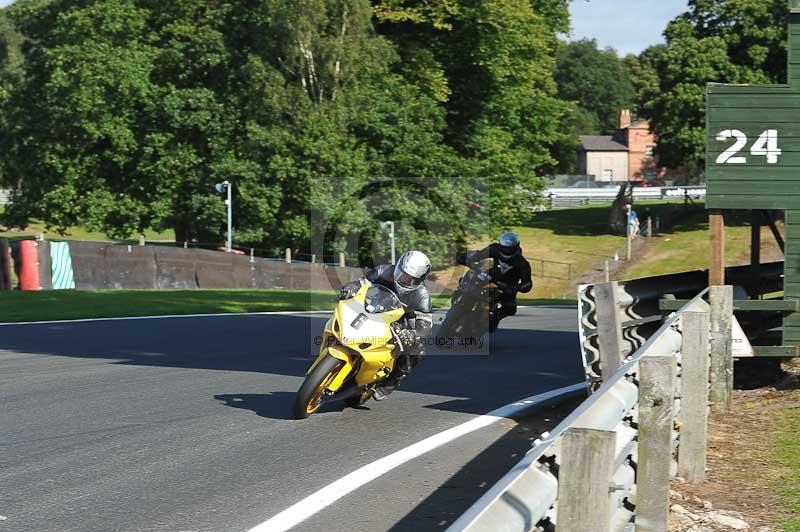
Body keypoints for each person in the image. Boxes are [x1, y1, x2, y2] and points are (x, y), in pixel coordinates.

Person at [338, 251, 433, 400]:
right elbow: (361, 283)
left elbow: (426, 324)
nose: (405, 281)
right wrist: (351, 287)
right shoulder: (383, 271)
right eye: (403, 275)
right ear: (398, 267)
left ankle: (391, 382)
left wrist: (415, 334)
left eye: (411, 280)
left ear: (420, 280)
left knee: (418, 350)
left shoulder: (422, 295)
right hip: (374, 306)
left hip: (400, 321)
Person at [458, 232, 533, 332]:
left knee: (510, 309)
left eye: (510, 248)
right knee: (468, 280)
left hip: (507, 286)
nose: (507, 250)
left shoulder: (522, 263)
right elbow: (479, 255)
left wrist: (515, 287)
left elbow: (527, 283)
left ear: (516, 247)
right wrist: (468, 258)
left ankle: (493, 319)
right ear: (500, 245)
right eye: (505, 247)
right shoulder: (494, 249)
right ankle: (459, 299)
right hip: (490, 276)